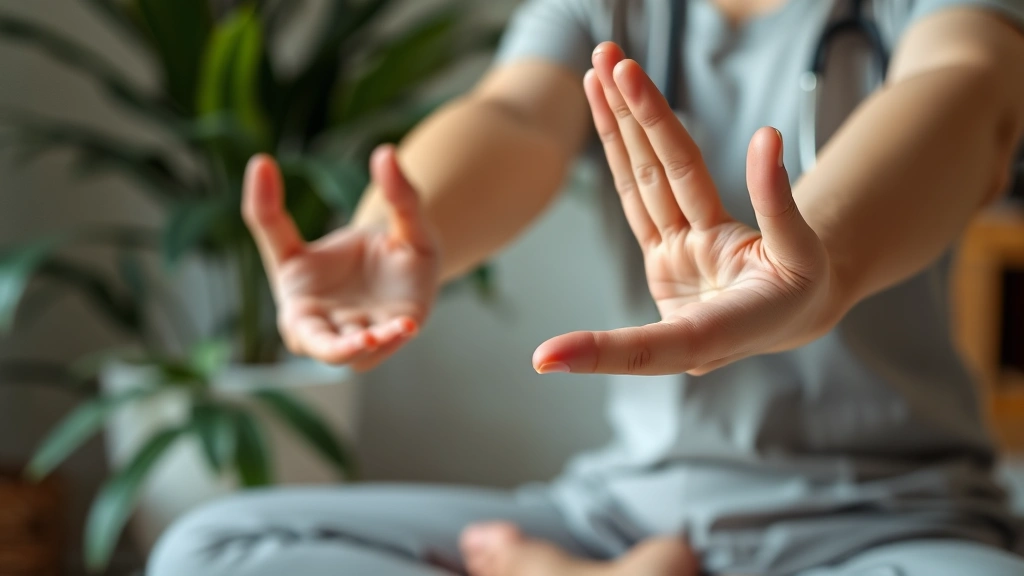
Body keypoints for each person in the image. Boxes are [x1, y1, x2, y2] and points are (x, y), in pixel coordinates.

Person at [148, 0, 1024, 575]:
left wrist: (819, 262)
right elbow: (517, 114)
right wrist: (393, 232)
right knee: (214, 550)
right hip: (624, 515)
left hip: (886, 525)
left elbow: (968, 88)